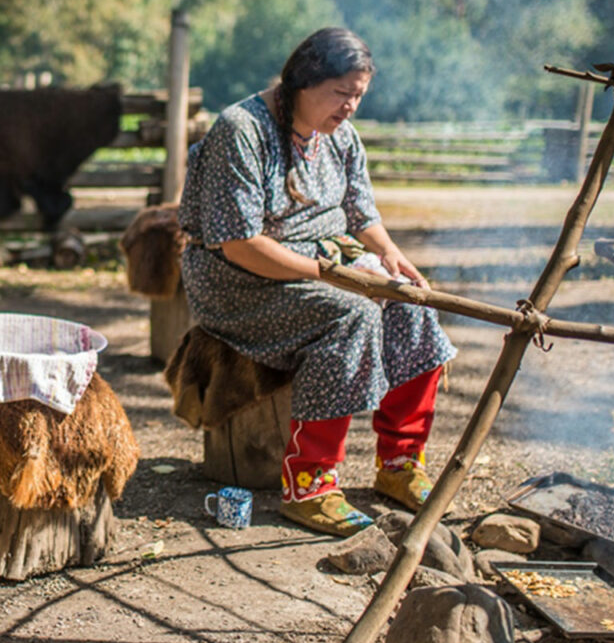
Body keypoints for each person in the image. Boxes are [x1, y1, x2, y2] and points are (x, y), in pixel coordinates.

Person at [177, 27, 456, 537]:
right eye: (341, 93)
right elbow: (238, 243)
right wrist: (337, 278)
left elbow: (359, 212)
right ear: (302, 82)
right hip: (238, 281)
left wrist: (390, 257)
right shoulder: (241, 130)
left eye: (358, 96)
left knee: (413, 304)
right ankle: (309, 484)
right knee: (351, 315)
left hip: (321, 265)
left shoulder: (339, 137)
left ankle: (399, 464)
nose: (350, 107)